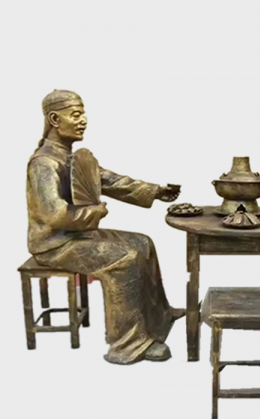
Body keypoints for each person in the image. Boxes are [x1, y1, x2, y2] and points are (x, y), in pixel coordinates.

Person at [27, 89, 185, 364]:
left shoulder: (69, 157)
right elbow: (54, 215)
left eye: (83, 114)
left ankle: (159, 315)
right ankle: (127, 345)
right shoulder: (44, 163)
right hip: (54, 244)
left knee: (143, 242)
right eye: (75, 115)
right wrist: (94, 212)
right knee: (126, 259)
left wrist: (155, 191)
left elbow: (110, 181)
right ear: (54, 119)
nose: (83, 120)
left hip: (75, 236)